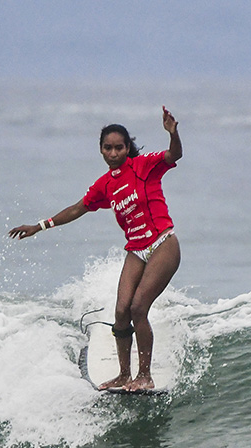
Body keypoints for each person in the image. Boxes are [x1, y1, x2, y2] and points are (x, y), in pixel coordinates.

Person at [9, 106, 183, 392]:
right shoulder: (105, 185)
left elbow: (174, 155)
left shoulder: (144, 166)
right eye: (107, 148)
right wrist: (39, 226)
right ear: (101, 150)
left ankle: (145, 375)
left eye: (119, 148)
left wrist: (173, 134)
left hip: (163, 243)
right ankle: (124, 374)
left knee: (138, 307)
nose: (113, 153)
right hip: (137, 249)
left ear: (127, 148)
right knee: (121, 312)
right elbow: (78, 208)